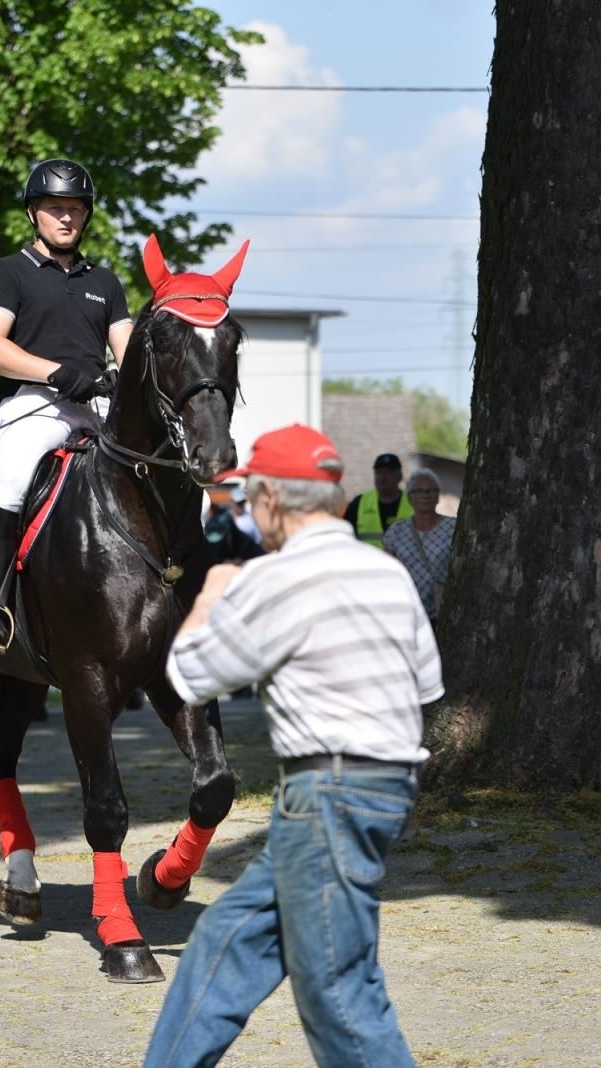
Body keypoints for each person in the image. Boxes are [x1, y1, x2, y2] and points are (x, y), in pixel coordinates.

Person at [145, 424, 441, 1068]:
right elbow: (426, 686)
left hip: (325, 792)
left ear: (273, 500)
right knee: (222, 944)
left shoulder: (273, 579)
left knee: (339, 993)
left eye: (250, 500)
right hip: (381, 786)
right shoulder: (388, 573)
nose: (251, 513)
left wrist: (208, 599)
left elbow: (190, 676)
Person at [0, 158, 133, 650]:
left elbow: (126, 351)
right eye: (55, 208)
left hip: (96, 406)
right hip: (33, 404)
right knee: (16, 476)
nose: (66, 218)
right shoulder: (8, 273)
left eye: (75, 210)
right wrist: (56, 372)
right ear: (33, 214)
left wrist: (118, 378)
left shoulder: (105, 283)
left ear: (86, 217)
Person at [382, 467, 455, 624]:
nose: (425, 496)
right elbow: (386, 572)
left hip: (443, 612)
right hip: (407, 612)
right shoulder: (397, 531)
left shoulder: (453, 528)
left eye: (431, 491)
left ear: (438, 495)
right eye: (419, 491)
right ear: (410, 498)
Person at [343, 451, 412, 547]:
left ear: (400, 476)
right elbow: (344, 537)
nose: (382, 477)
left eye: (388, 473)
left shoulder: (414, 502)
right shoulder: (359, 503)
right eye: (378, 473)